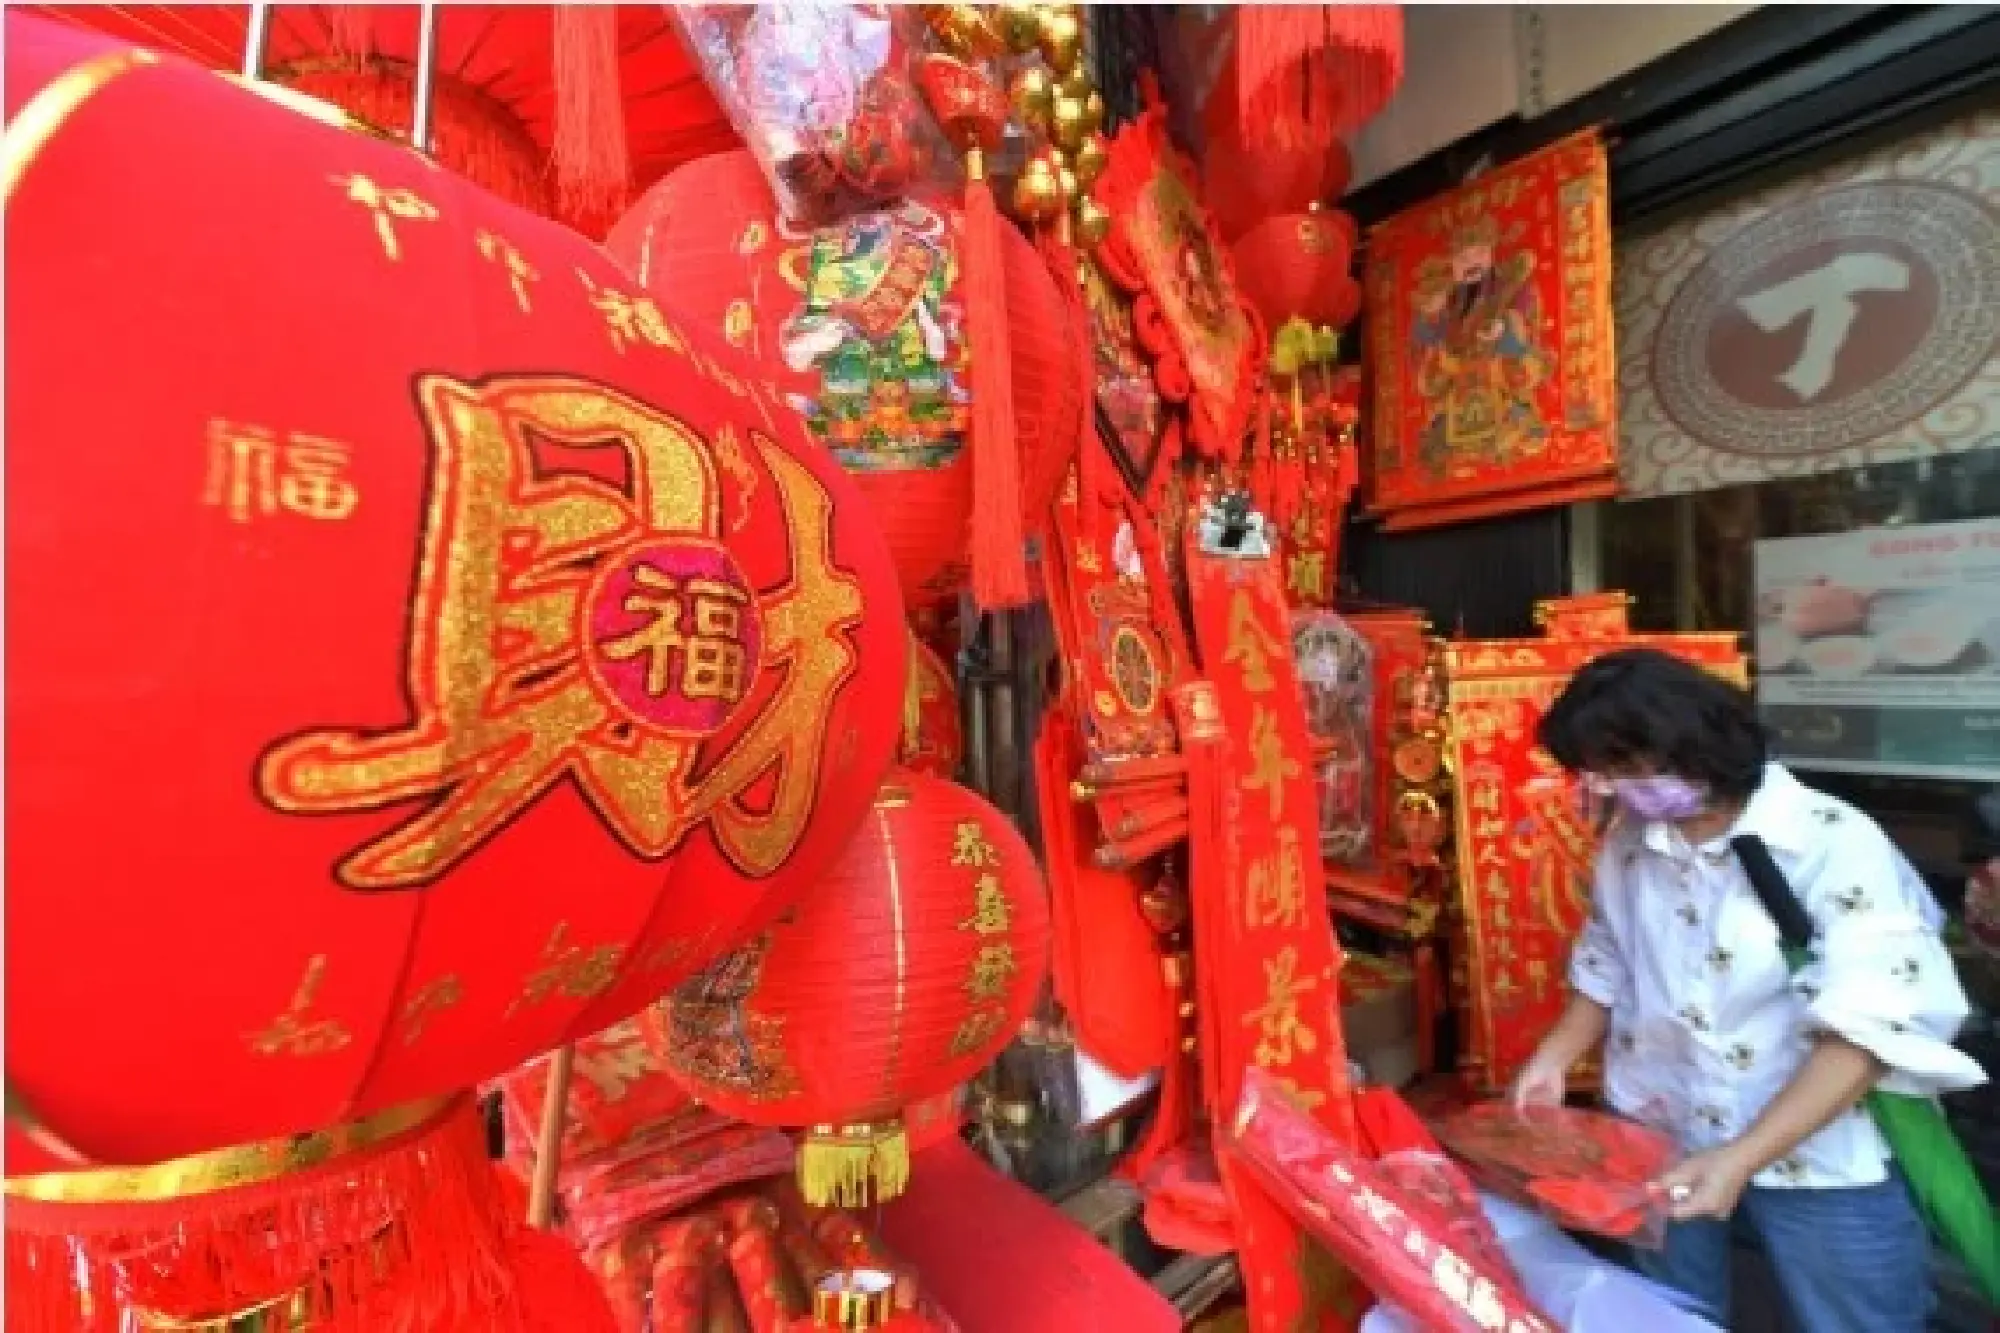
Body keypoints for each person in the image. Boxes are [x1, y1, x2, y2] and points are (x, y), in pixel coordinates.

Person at [1513, 648, 1985, 1332]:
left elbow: (1866, 1031)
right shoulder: (1631, 840)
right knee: (1673, 1312)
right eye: (1600, 772)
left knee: (1859, 1317)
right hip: (1661, 1124)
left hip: (1817, 1147)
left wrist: (1740, 1158)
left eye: (1625, 765)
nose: (1614, 788)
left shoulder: (1831, 842)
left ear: (1694, 742)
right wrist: (1554, 1059)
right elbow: (1607, 960)